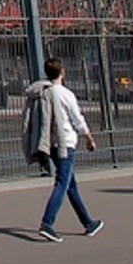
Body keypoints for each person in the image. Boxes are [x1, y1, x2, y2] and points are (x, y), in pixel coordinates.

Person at [24, 57, 102, 243]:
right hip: (65, 142)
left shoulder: (41, 92)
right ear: (62, 72)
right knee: (62, 183)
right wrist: (89, 138)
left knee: (70, 184)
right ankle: (47, 224)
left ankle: (88, 223)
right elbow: (77, 119)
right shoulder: (65, 94)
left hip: (49, 142)